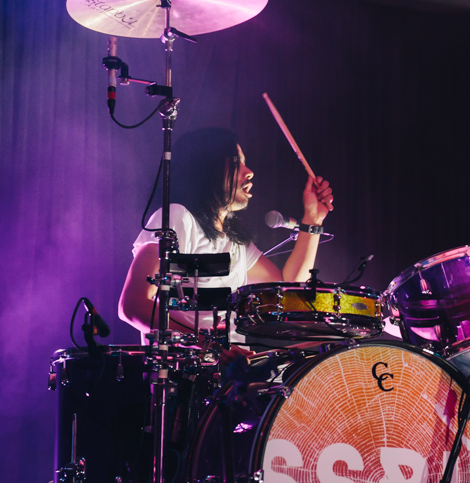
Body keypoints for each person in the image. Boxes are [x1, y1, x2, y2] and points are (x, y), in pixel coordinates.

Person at [118, 128, 334, 339]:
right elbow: (132, 306)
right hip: (190, 368)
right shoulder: (178, 217)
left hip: (233, 367)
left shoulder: (234, 240)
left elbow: (287, 290)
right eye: (236, 162)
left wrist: (313, 219)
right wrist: (206, 347)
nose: (249, 171)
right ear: (207, 167)